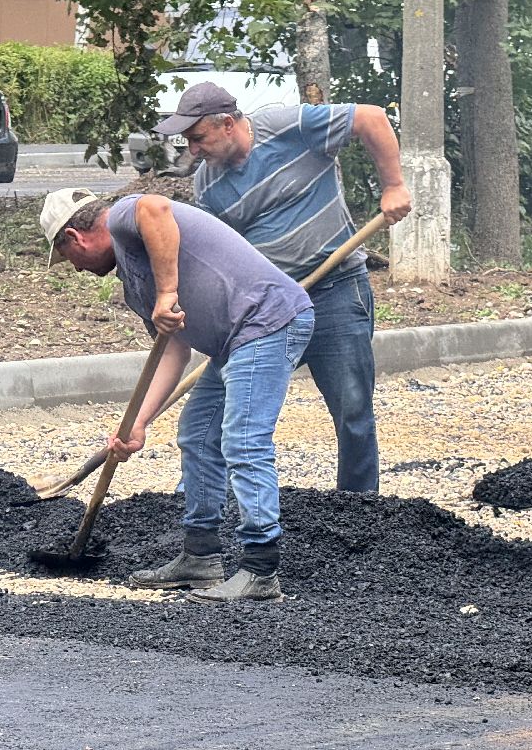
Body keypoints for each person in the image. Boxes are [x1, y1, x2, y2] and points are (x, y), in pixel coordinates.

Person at [41, 187, 314, 601]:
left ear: (74, 238)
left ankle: (260, 569)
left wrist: (168, 293)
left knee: (243, 440)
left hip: (266, 323)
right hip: (236, 342)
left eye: (68, 259)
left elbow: (156, 208)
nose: (76, 270)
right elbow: (172, 349)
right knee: (197, 434)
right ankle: (200, 557)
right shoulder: (133, 282)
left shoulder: (124, 216)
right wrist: (138, 424)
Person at [155, 82, 412, 492]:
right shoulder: (208, 185)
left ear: (227, 124)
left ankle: (359, 512)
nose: (193, 151)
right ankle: (210, 514)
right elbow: (218, 256)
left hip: (335, 290)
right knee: (216, 418)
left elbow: (371, 117)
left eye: (198, 138)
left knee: (353, 412)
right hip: (268, 311)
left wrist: (393, 185)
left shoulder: (286, 126)